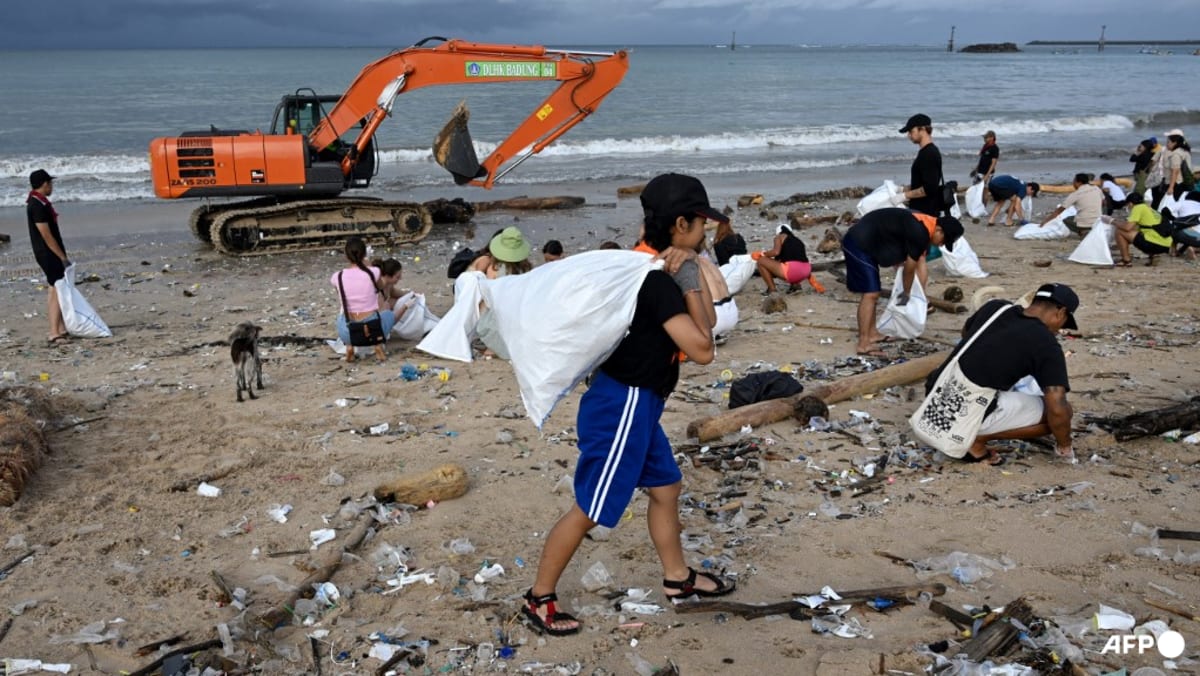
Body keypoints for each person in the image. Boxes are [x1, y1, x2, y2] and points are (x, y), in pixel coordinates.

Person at [523, 173, 733, 637]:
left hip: (640, 404)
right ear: (681, 224)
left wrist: (690, 272)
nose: (706, 233)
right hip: (623, 406)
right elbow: (703, 350)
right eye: (701, 225)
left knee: (666, 488)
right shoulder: (652, 281)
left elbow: (709, 322)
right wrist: (682, 278)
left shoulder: (652, 269)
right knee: (591, 507)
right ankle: (539, 598)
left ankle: (677, 579)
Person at [923, 283, 1078, 465]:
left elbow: (967, 333)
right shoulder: (1047, 345)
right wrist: (1065, 447)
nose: (1059, 329)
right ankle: (976, 440)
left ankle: (969, 428)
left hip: (935, 395)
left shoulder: (996, 307)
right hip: (968, 414)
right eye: (1064, 323)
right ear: (1061, 312)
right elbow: (1057, 409)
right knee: (1061, 413)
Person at [841, 207, 963, 356]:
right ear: (939, 231)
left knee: (874, 292)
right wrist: (905, 294)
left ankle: (872, 334)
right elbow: (909, 269)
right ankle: (864, 343)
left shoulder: (923, 223)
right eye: (944, 241)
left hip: (868, 243)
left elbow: (896, 240)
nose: (941, 245)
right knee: (870, 294)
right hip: (858, 244)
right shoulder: (920, 233)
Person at [330, 236, 394, 359]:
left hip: (348, 332)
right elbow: (381, 286)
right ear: (364, 254)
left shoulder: (337, 276)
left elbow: (340, 294)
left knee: (342, 315)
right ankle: (377, 344)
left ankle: (349, 346)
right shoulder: (373, 272)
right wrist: (368, 266)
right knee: (389, 314)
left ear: (346, 256)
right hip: (373, 330)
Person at [26, 169, 70, 345]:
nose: (51, 186)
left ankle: (59, 328)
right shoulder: (37, 205)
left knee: (55, 288)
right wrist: (62, 256)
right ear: (44, 184)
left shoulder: (39, 203)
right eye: (50, 183)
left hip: (48, 252)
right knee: (56, 289)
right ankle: (54, 331)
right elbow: (46, 234)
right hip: (47, 253)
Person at [893, 114, 944, 217]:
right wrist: (903, 189)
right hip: (920, 210)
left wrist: (904, 196)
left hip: (926, 212)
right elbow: (923, 182)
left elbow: (929, 188)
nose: (908, 135)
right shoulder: (925, 152)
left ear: (923, 129)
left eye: (911, 131)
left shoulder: (929, 154)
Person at [753, 224, 822, 295]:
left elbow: (776, 252)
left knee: (761, 261)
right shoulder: (797, 240)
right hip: (806, 270)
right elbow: (799, 258)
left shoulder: (779, 237)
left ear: (779, 232)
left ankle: (772, 290)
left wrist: (762, 254)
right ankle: (795, 286)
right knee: (789, 263)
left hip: (793, 271)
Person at [1113, 192, 1171, 267]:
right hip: (1166, 244)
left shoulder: (1137, 208)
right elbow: (1139, 228)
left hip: (1155, 244)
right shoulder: (1149, 208)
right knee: (1144, 232)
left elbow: (1127, 228)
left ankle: (1126, 260)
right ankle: (1154, 255)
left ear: (1130, 203)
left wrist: (1112, 221)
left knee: (1119, 231)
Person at [1039, 173, 1103, 236]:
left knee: (1066, 220)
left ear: (1079, 182)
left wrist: (1045, 221)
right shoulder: (1096, 188)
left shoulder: (1076, 194)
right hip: (1097, 221)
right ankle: (1088, 230)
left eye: (1074, 181)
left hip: (1085, 223)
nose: (1073, 183)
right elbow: (1103, 202)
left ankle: (1082, 231)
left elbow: (1058, 211)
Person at [1162, 130, 1195, 201]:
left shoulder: (1176, 154)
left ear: (1175, 143)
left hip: (1176, 183)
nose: (1166, 144)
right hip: (1182, 182)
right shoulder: (1184, 150)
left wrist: (1171, 187)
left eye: (1168, 142)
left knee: (1174, 202)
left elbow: (1175, 171)